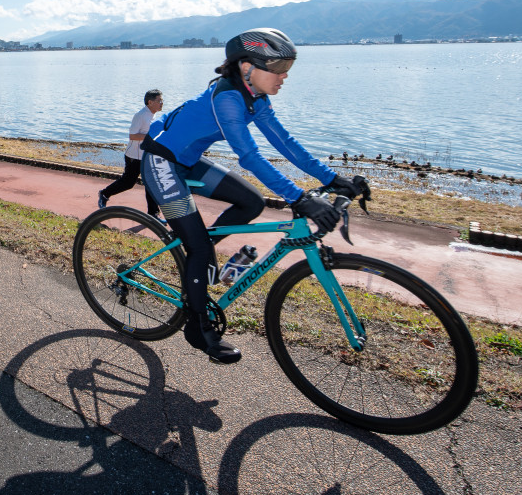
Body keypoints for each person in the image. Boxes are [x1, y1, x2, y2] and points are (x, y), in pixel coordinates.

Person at [140, 28, 369, 365]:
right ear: (247, 67)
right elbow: (249, 157)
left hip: (188, 162)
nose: (284, 76)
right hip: (160, 163)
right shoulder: (227, 98)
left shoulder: (256, 99)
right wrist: (299, 198)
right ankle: (197, 326)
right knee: (201, 245)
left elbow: (285, 143)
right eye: (277, 68)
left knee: (252, 202)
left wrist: (334, 179)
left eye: (287, 67)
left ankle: (198, 261)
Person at [98, 89, 164, 219]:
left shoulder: (153, 115)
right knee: (128, 183)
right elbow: (133, 136)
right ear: (150, 102)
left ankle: (153, 214)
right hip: (134, 156)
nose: (162, 103)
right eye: (159, 100)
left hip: (146, 156)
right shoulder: (140, 115)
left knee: (151, 183)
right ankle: (104, 194)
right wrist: (150, 137)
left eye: (162, 100)